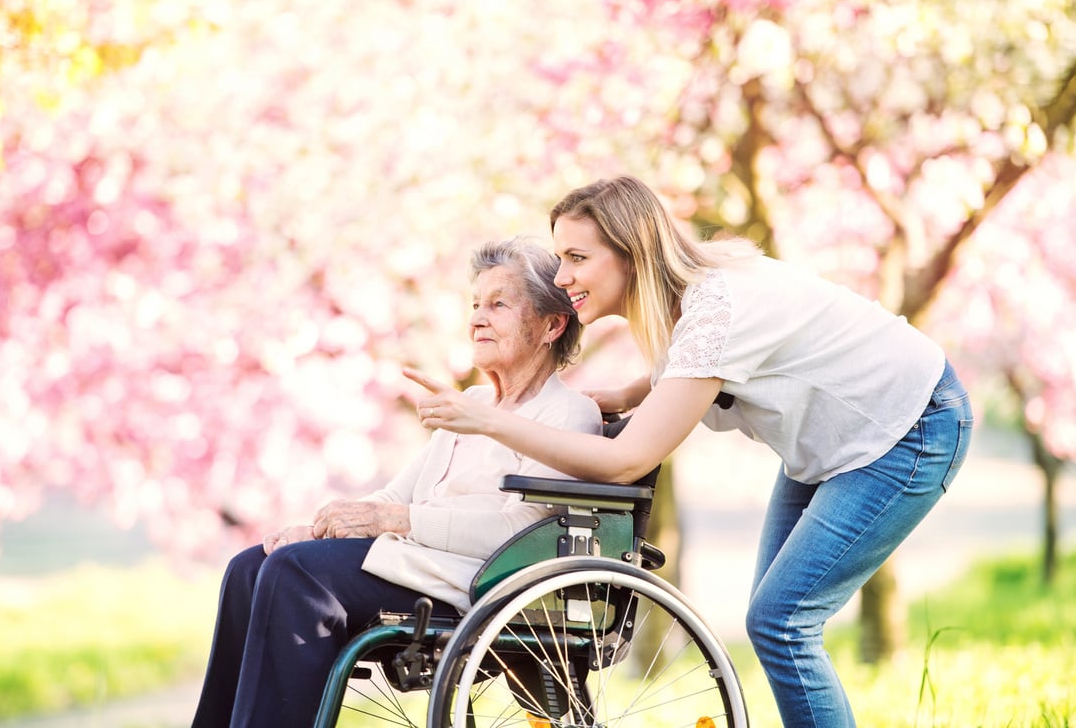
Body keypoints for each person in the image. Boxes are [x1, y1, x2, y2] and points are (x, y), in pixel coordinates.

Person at [406, 176, 974, 727]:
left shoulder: (716, 311)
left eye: (577, 257)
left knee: (782, 622)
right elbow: (698, 361)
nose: (562, 275)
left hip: (909, 426)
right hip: (833, 442)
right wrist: (631, 392)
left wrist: (487, 422)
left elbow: (626, 461)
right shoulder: (690, 294)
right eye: (559, 257)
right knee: (776, 621)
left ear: (631, 253)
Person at [191, 238, 602, 728]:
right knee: (250, 566)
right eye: (474, 304)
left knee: (295, 574)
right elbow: (395, 497)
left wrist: (398, 521)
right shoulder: (473, 401)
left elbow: (522, 531)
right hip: (416, 561)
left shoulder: (569, 413)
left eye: (498, 305)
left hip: (473, 581)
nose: (476, 318)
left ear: (551, 325)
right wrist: (324, 528)